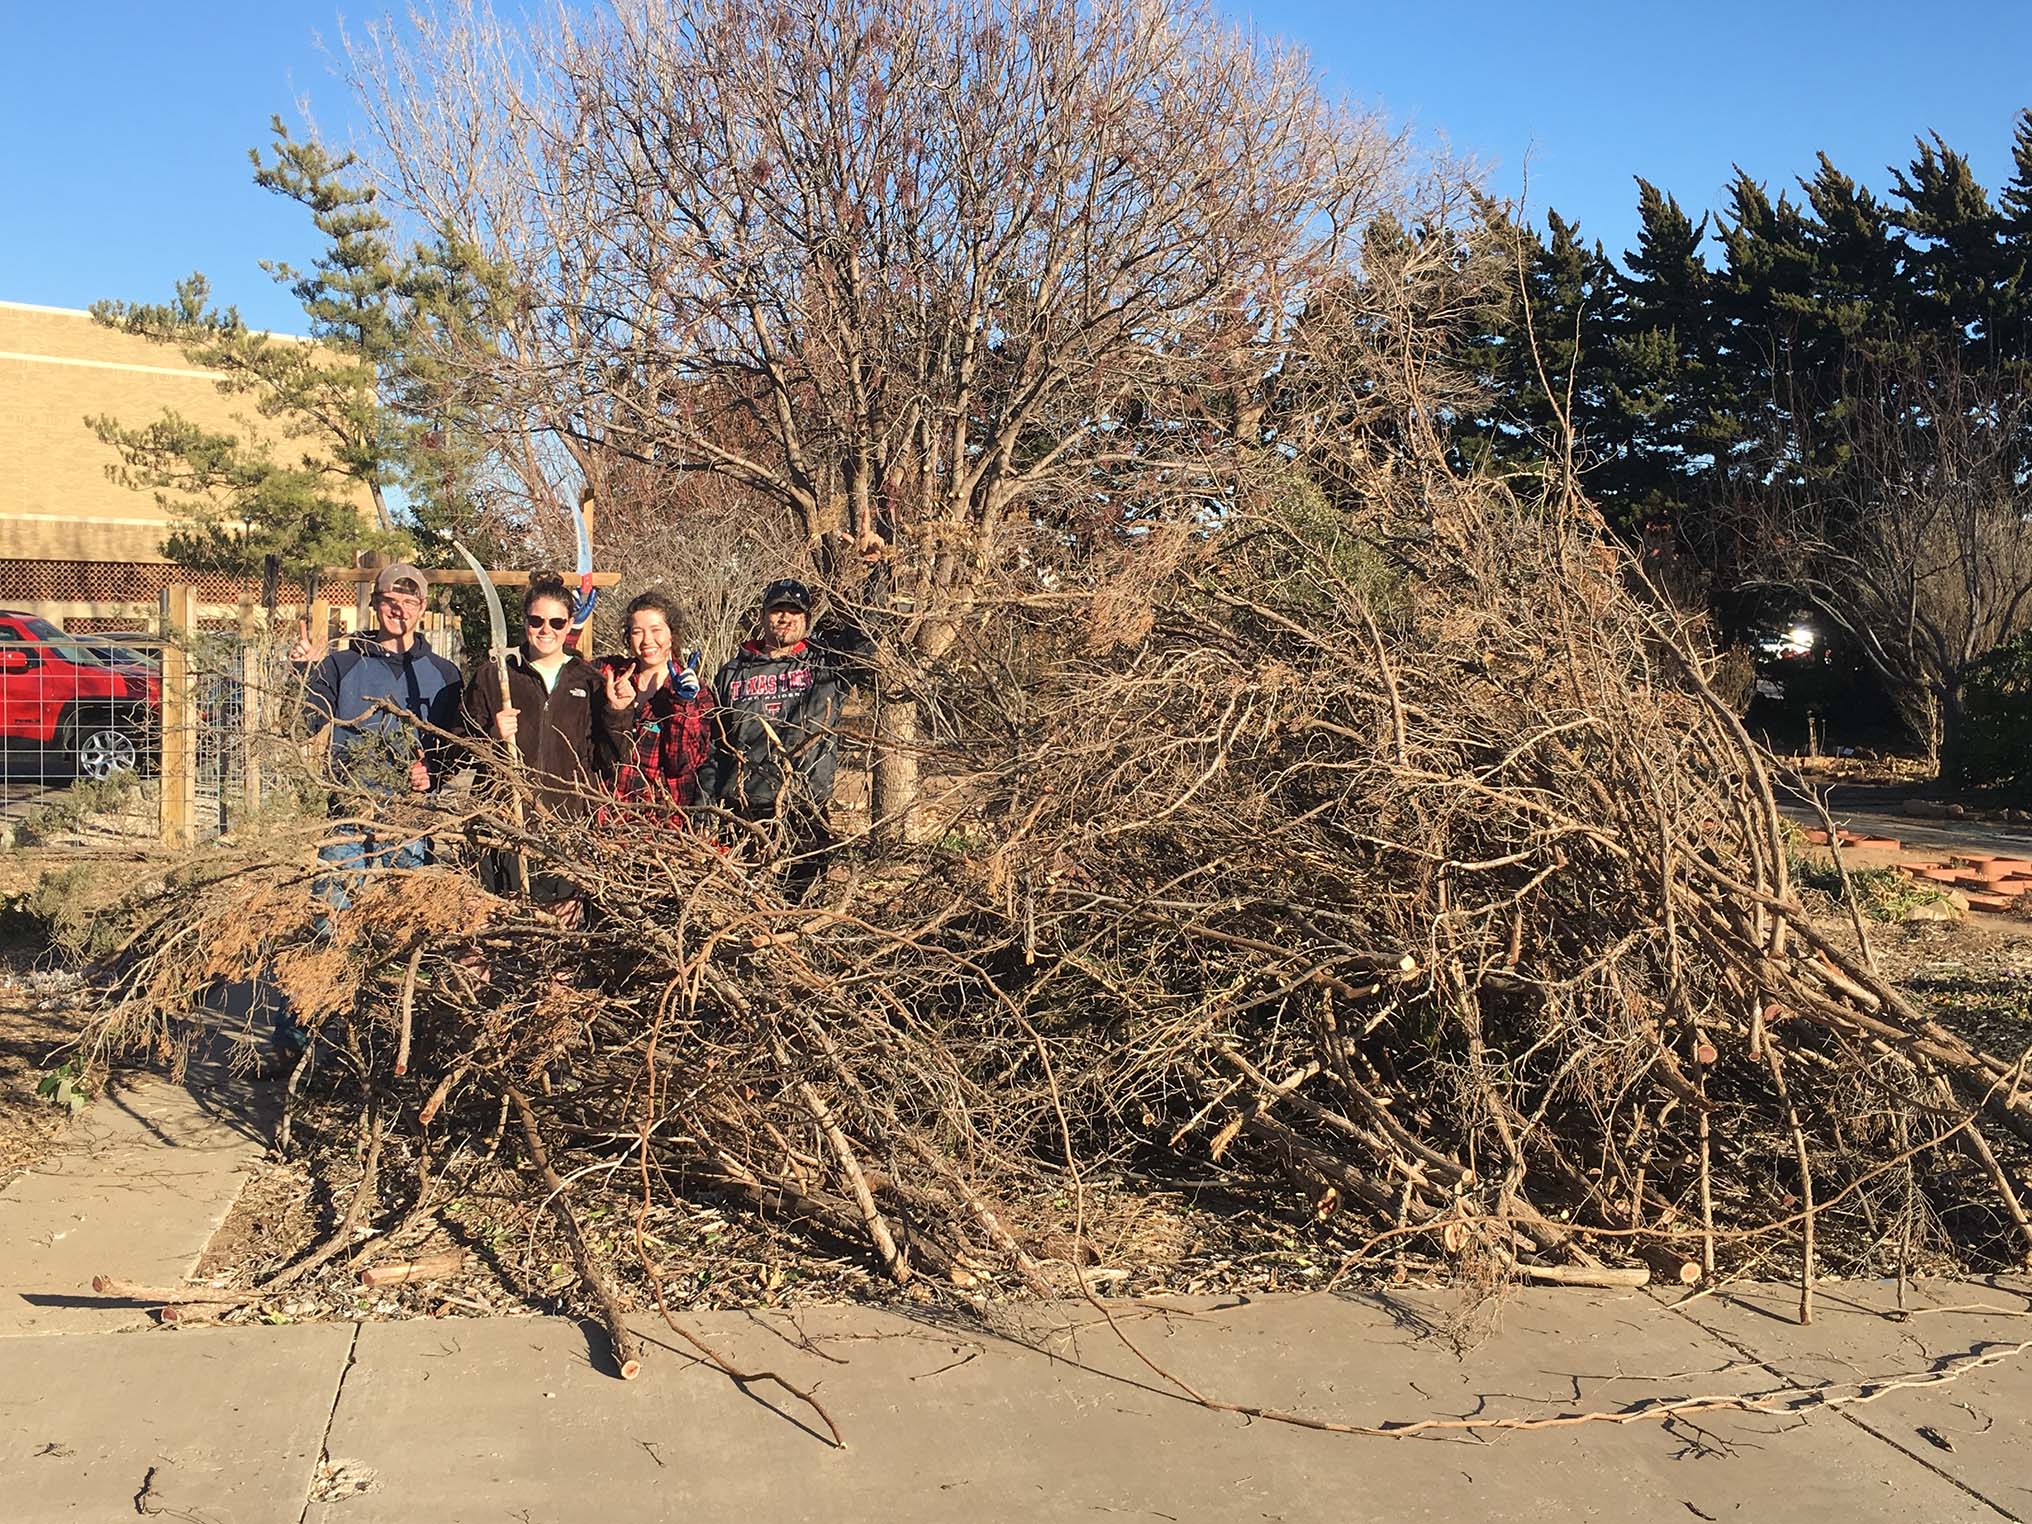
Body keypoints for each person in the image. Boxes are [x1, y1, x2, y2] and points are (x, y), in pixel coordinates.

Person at [295, 561, 463, 907]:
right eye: (389, 600)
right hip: (349, 810)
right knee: (330, 910)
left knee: (409, 915)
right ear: (374, 604)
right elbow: (301, 727)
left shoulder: (444, 675)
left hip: (411, 818)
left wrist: (432, 773)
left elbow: (452, 746)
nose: (398, 610)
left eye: (409, 602)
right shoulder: (342, 664)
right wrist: (304, 676)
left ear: (422, 609)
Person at [461, 573, 626, 915]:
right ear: (525, 622)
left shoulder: (590, 682)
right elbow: (458, 748)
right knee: (496, 933)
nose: (545, 629)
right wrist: (493, 733)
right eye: (537, 620)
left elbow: (609, 761)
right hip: (502, 825)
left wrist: (617, 714)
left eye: (556, 621)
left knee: (558, 943)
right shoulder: (496, 676)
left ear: (569, 626)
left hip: (564, 828)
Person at [700, 577, 869, 888]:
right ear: (763, 615)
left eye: (795, 611)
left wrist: (875, 572)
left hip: (803, 808)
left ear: (805, 618)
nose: (785, 617)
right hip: (742, 812)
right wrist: (705, 805)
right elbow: (715, 743)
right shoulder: (731, 672)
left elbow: (865, 634)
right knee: (743, 904)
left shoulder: (826, 664)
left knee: (800, 905)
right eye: (778, 609)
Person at [597, 590, 715, 816]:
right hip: (611, 816)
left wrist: (682, 705)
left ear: (672, 634)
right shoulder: (613, 675)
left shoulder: (696, 692)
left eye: (656, 630)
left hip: (664, 820)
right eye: (637, 632)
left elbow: (682, 764)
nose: (647, 640)